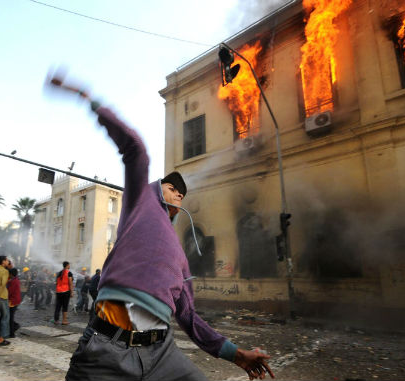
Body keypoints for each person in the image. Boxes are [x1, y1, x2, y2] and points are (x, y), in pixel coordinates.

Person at [49, 75, 274, 381]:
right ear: (161, 187)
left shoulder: (179, 255)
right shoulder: (139, 202)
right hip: (107, 350)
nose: (179, 196)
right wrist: (89, 99)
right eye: (174, 190)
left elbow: (190, 318)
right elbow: (135, 150)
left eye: (183, 195)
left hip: (161, 354)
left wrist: (237, 355)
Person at [7, 268, 21, 338]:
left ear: (11, 274)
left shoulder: (13, 281)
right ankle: (14, 327)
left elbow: (9, 292)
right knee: (10, 316)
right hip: (15, 300)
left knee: (10, 317)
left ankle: (12, 332)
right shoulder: (16, 280)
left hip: (12, 301)